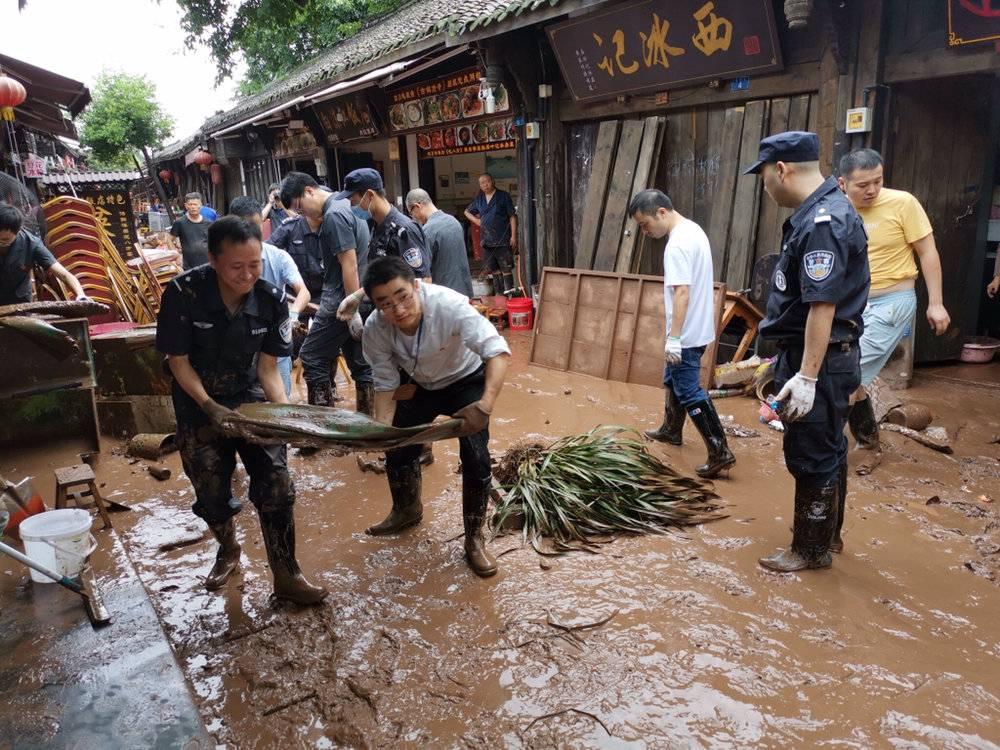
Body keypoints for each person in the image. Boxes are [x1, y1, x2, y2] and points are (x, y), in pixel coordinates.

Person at [155, 215, 326, 605]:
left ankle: (287, 575)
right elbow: (178, 362)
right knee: (211, 490)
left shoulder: (270, 299)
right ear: (213, 260)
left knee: (277, 485)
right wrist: (209, 406)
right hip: (197, 403)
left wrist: (286, 416)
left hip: (249, 397)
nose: (247, 275)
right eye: (236, 266)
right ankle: (228, 548)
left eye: (255, 265)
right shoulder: (183, 293)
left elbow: (268, 369)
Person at [746, 131, 870, 572]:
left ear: (781, 170)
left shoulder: (823, 221)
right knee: (830, 446)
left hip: (819, 357)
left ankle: (810, 550)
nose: (765, 185)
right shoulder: (824, 211)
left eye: (763, 175)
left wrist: (807, 376)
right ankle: (828, 536)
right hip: (823, 354)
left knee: (812, 452)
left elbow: (823, 305)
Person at [361, 256, 511, 576]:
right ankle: (406, 510)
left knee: (476, 456)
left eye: (403, 296)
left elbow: (497, 352)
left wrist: (485, 406)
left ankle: (474, 539)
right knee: (398, 448)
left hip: (466, 379)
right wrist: (381, 431)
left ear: (416, 286)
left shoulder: (449, 305)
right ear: (375, 306)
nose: (398, 310)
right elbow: (385, 384)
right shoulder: (375, 329)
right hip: (419, 384)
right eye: (385, 304)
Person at [837, 149, 951, 461]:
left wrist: (936, 303)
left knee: (846, 374)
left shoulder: (903, 203)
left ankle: (824, 449)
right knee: (850, 373)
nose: (872, 190)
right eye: (863, 185)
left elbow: (927, 252)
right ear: (842, 184)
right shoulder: (836, 208)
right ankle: (867, 438)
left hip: (892, 302)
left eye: (878, 181)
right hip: (852, 305)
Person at [629, 190, 735, 479]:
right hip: (698, 327)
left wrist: (675, 338)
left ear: (661, 212)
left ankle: (720, 451)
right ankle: (671, 429)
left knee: (689, 390)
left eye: (645, 224)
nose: (645, 231)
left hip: (686, 334)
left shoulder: (676, 245)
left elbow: (682, 293)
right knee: (672, 378)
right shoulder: (693, 230)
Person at [279, 172, 373, 416]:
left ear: (309, 191)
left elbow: (349, 264)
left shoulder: (333, 215)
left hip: (340, 303)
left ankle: (325, 427)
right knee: (361, 365)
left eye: (301, 208)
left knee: (311, 357)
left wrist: (351, 309)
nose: (303, 215)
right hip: (358, 296)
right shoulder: (348, 205)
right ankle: (369, 425)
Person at [228, 196, 311, 396]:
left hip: (274, 347)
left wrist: (292, 315)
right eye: (244, 227)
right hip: (236, 350)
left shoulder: (278, 257)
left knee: (280, 404)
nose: (250, 234)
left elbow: (303, 292)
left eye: (255, 227)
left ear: (262, 224)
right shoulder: (222, 261)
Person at [0, 204, 88, 305]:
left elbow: (64, 275)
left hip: (19, 300)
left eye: (5, 240)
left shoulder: (32, 244)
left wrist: (81, 296)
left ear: (19, 231)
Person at [405, 188, 473, 297]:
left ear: (417, 206)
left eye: (411, 213)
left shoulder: (427, 231)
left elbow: (425, 274)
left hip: (445, 297)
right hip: (465, 293)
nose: (414, 218)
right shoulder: (454, 221)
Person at [464, 173, 517, 296]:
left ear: (493, 181)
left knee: (506, 268)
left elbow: (512, 216)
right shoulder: (479, 199)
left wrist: (514, 236)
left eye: (487, 181)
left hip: (503, 239)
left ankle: (510, 296)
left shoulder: (503, 196)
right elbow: (466, 211)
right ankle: (499, 295)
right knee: (494, 269)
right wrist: (477, 221)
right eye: (482, 183)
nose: (485, 185)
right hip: (487, 241)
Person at [169, 192, 213, 269]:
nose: (193, 207)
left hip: (207, 263)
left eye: (195, 204)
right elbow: (169, 240)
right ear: (186, 206)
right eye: (190, 204)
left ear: (200, 205)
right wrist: (177, 255)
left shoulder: (208, 223)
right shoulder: (180, 223)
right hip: (189, 265)